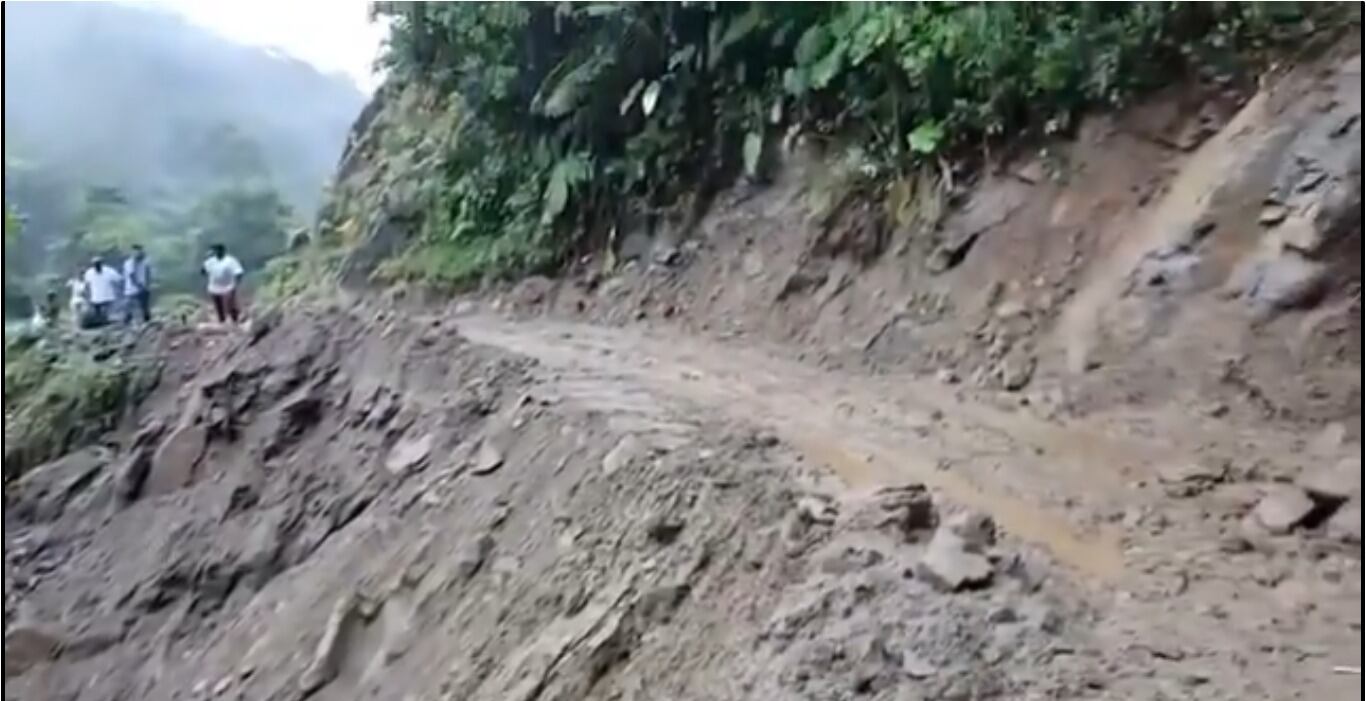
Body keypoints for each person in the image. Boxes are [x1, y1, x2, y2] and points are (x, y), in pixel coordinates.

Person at [201, 243, 244, 324]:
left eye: (218, 251)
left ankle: (235, 320)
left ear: (223, 251)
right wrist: (206, 260)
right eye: (215, 251)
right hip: (214, 287)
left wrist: (237, 283)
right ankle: (222, 321)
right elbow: (203, 272)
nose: (216, 253)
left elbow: (238, 272)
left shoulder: (230, 260)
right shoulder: (210, 261)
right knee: (219, 306)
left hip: (229, 286)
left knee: (231, 305)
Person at [82, 256, 123, 328]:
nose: (97, 266)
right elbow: (86, 285)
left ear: (101, 264)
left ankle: (108, 327)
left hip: (108, 297)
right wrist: (87, 296)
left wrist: (119, 291)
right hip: (96, 298)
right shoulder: (89, 273)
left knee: (107, 314)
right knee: (99, 316)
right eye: (95, 264)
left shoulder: (109, 271)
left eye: (98, 264)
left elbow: (119, 280)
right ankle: (102, 327)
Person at [123, 244, 153, 324]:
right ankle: (126, 323)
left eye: (140, 251)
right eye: (136, 252)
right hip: (132, 289)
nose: (139, 253)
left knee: (145, 307)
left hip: (144, 288)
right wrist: (139, 286)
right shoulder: (129, 263)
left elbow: (148, 274)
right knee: (129, 307)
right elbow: (132, 276)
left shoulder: (145, 262)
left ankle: (147, 322)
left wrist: (147, 285)